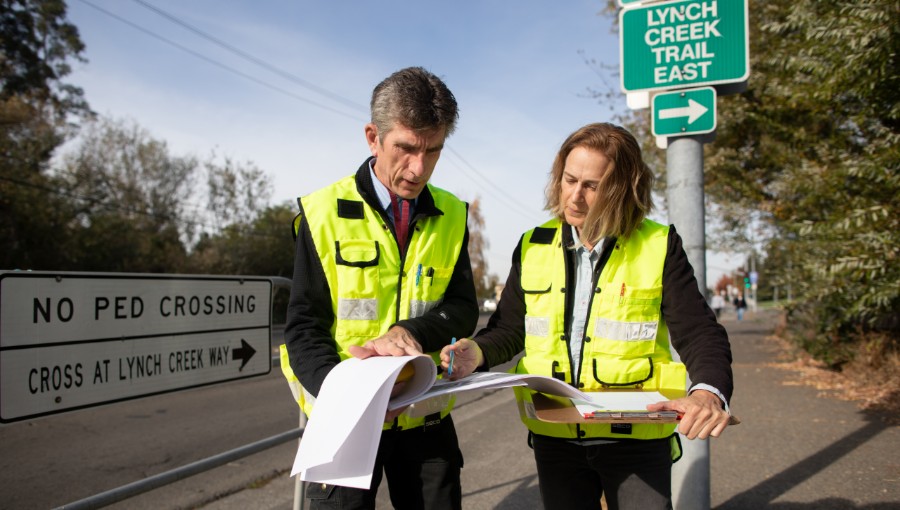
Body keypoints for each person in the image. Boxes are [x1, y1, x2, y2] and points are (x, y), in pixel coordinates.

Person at [440, 123, 734, 510]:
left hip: (634, 440)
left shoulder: (658, 245)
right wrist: (474, 354)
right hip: (555, 436)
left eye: (592, 186)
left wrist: (707, 392)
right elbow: (509, 331)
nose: (574, 197)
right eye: (569, 180)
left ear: (623, 189)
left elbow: (699, 333)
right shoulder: (532, 246)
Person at [282, 66, 479, 510]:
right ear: (373, 137)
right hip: (347, 421)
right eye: (406, 149)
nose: (419, 168)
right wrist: (349, 399)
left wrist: (413, 332)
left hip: (425, 416)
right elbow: (303, 327)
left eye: (434, 151)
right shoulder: (321, 212)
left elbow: (463, 307)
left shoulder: (452, 213)